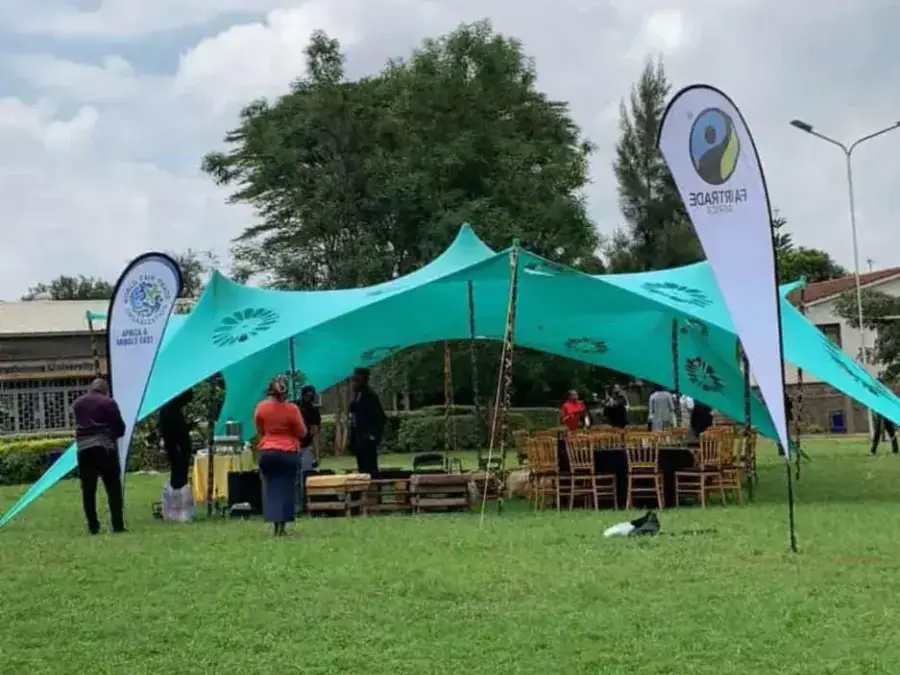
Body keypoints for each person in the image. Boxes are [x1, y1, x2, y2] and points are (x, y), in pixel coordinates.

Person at [72, 378, 126, 535]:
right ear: (105, 390)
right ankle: (117, 525)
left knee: (88, 490)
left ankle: (93, 526)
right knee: (113, 488)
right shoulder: (108, 403)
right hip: (104, 447)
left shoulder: (78, 403)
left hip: (83, 449)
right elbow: (119, 426)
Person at [254, 377, 306, 537]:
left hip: (267, 451)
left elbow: (260, 428)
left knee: (270, 487)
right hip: (287, 451)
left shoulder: (261, 408)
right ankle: (282, 527)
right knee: (286, 488)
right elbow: (302, 432)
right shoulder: (292, 409)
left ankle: (274, 524)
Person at [349, 368, 386, 476]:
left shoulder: (370, 396)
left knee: (370, 468)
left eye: (357, 380)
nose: (354, 383)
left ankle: (374, 489)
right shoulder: (357, 397)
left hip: (367, 440)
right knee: (362, 469)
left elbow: (379, 417)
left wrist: (372, 435)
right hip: (359, 439)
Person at [158, 388, 194, 491]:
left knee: (176, 463)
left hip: (172, 441)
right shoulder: (172, 409)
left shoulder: (168, 407)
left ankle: (177, 483)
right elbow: (179, 432)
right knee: (179, 462)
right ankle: (179, 484)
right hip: (176, 443)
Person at [295, 385, 321, 509]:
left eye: (310, 396)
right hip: (293, 446)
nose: (308, 398)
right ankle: (297, 502)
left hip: (306, 446)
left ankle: (305, 502)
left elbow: (315, 433)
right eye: (306, 396)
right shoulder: (294, 408)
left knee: (306, 475)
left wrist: (316, 454)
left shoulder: (314, 412)